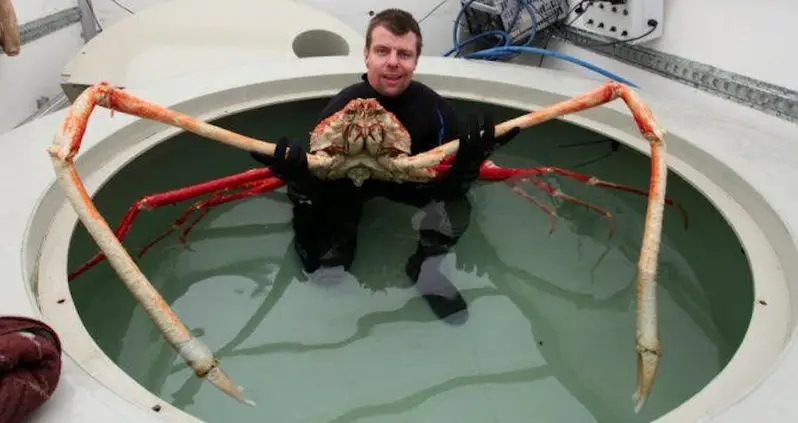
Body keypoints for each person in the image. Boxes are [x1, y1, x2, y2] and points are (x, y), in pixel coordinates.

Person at [252, 9, 520, 324]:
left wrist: (469, 162)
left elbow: (448, 186)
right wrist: (299, 182)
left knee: (456, 204)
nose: (393, 62)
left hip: (410, 183)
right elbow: (319, 179)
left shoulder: (435, 112)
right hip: (348, 186)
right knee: (325, 269)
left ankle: (428, 265)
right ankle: (338, 243)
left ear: (416, 61)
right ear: (366, 56)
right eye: (382, 51)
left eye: (403, 53)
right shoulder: (340, 108)